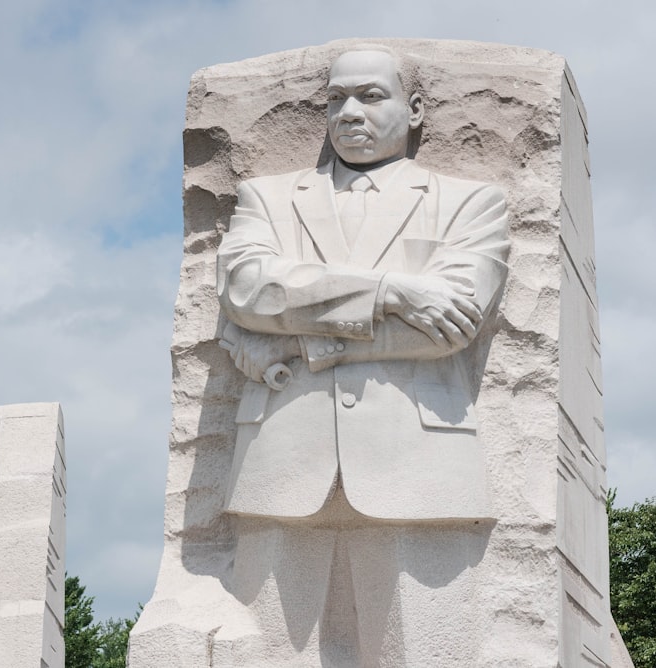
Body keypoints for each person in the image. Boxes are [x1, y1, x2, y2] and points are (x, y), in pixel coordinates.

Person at [215, 47, 510, 665]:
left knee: (430, 654)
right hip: (283, 460)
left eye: (371, 96)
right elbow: (248, 290)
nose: (349, 112)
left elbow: (449, 327)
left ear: (416, 108)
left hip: (420, 461)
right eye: (335, 99)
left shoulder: (469, 202)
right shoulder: (266, 198)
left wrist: (301, 341)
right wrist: (391, 289)